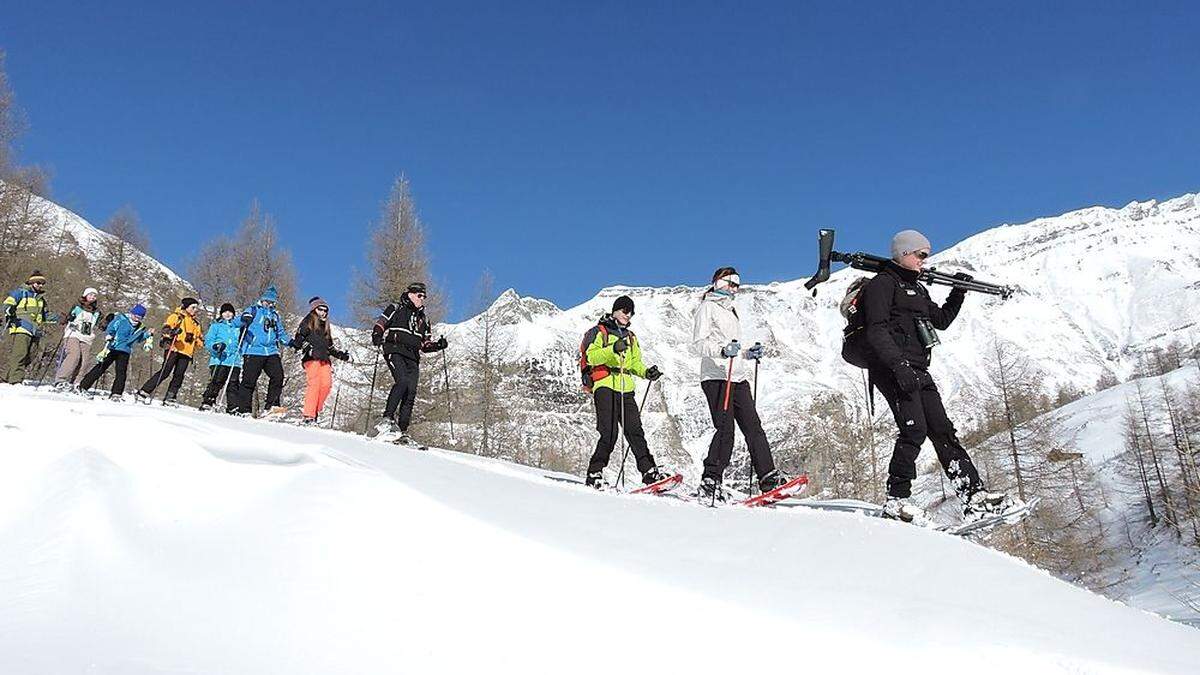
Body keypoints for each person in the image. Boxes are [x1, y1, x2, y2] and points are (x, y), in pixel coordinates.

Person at [859, 230, 1011, 524]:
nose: (924, 260)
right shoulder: (882, 284)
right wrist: (899, 367)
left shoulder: (917, 289)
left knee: (942, 429)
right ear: (904, 253)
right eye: (921, 255)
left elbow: (940, 321)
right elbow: (875, 330)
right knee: (914, 430)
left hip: (919, 369)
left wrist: (958, 292)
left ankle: (973, 496)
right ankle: (896, 500)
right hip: (892, 370)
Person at [691, 266, 791, 504]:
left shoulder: (731, 310)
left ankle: (768, 477)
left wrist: (746, 354)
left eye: (737, 284)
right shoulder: (707, 307)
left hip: (737, 376)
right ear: (717, 282)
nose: (734, 287)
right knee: (725, 429)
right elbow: (697, 344)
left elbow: (732, 346)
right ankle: (710, 480)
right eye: (729, 282)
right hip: (716, 376)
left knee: (753, 426)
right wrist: (722, 351)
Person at [580, 295, 671, 489]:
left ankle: (649, 472)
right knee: (609, 432)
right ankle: (594, 472)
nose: (628, 315)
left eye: (631, 313)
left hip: (626, 388)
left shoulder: (631, 337)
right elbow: (591, 356)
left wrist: (647, 372)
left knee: (635, 431)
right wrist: (613, 349)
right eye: (624, 311)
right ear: (615, 310)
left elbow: (634, 363)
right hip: (604, 384)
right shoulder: (600, 331)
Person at [370, 282, 448, 445]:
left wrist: (438, 345)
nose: (422, 299)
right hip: (394, 349)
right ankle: (386, 420)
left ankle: (402, 430)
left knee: (411, 391)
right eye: (420, 295)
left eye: (424, 297)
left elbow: (425, 344)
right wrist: (377, 334)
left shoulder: (424, 319)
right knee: (402, 381)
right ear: (410, 294)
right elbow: (381, 323)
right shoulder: (396, 308)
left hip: (412, 355)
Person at [288, 296, 349, 424]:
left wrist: (341, 355)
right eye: (320, 309)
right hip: (311, 357)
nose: (323, 312)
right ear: (315, 310)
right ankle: (308, 415)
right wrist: (300, 345)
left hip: (324, 359)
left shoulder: (325, 327)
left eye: (325, 310)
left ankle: (314, 410)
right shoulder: (309, 320)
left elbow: (330, 347)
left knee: (327, 385)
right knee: (314, 384)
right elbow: (300, 336)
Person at [234, 286, 290, 417]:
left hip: (271, 351)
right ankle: (244, 410)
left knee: (278, 376)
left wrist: (290, 342)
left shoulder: (275, 316)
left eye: (272, 302)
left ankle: (272, 407)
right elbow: (237, 322)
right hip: (253, 350)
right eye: (267, 301)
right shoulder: (253, 310)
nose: (269, 304)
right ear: (262, 300)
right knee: (249, 380)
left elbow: (280, 333)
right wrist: (244, 318)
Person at [78, 304, 154, 399]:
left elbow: (138, 339)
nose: (136, 319)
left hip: (125, 350)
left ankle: (116, 393)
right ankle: (83, 386)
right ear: (131, 313)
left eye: (139, 317)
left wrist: (147, 334)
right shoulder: (121, 319)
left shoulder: (140, 327)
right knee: (101, 367)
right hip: (113, 347)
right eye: (135, 316)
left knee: (121, 372)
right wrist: (110, 335)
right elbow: (111, 328)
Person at [137, 297, 203, 404]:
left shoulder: (196, 323)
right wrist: (173, 332)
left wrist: (197, 341)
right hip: (174, 348)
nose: (195, 310)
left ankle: (170, 396)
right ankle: (144, 391)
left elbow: (199, 339)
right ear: (186, 307)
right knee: (165, 371)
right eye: (193, 307)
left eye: (196, 308)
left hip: (186, 352)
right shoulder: (176, 316)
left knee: (179, 375)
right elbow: (165, 329)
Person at [4, 270, 58, 384]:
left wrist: (59, 318)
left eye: (42, 283)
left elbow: (45, 315)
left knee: (31, 355)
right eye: (38, 283)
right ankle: (15, 380)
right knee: (20, 354)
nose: (40, 285)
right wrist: (9, 309)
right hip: (21, 327)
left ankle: (6, 376)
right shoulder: (21, 293)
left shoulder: (41, 299)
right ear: (31, 282)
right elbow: (8, 303)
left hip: (34, 330)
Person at [53, 287, 102, 389]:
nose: (92, 297)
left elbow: (101, 326)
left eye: (94, 295)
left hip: (87, 337)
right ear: (85, 295)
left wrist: (108, 321)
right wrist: (65, 318)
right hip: (73, 334)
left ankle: (76, 382)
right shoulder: (77, 306)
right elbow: (66, 315)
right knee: (74, 355)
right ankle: (61, 379)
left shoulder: (97, 312)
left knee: (84, 361)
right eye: (90, 295)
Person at [200, 303, 243, 412]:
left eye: (230, 312)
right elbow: (208, 341)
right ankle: (208, 401)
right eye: (225, 312)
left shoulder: (238, 327)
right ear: (221, 314)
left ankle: (233, 406)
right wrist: (215, 347)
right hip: (219, 358)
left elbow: (242, 341)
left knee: (233, 384)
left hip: (234, 360)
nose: (227, 314)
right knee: (216, 381)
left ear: (233, 314)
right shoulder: (216, 326)